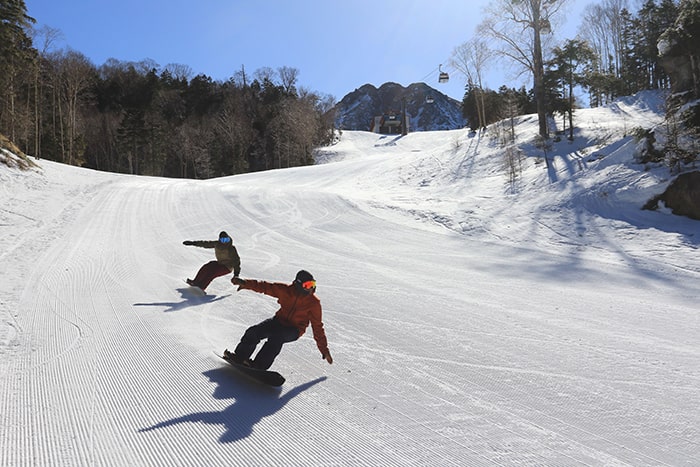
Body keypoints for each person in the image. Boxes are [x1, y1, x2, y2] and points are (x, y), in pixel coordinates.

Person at [224, 270, 333, 370]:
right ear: (298, 284)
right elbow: (265, 287)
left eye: (312, 285)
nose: (311, 289)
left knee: (277, 337)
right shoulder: (285, 290)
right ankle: (239, 357)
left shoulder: (314, 303)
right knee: (254, 331)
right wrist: (245, 283)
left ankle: (258, 365)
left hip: (294, 329)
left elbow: (317, 327)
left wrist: (324, 349)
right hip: (278, 321)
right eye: (307, 285)